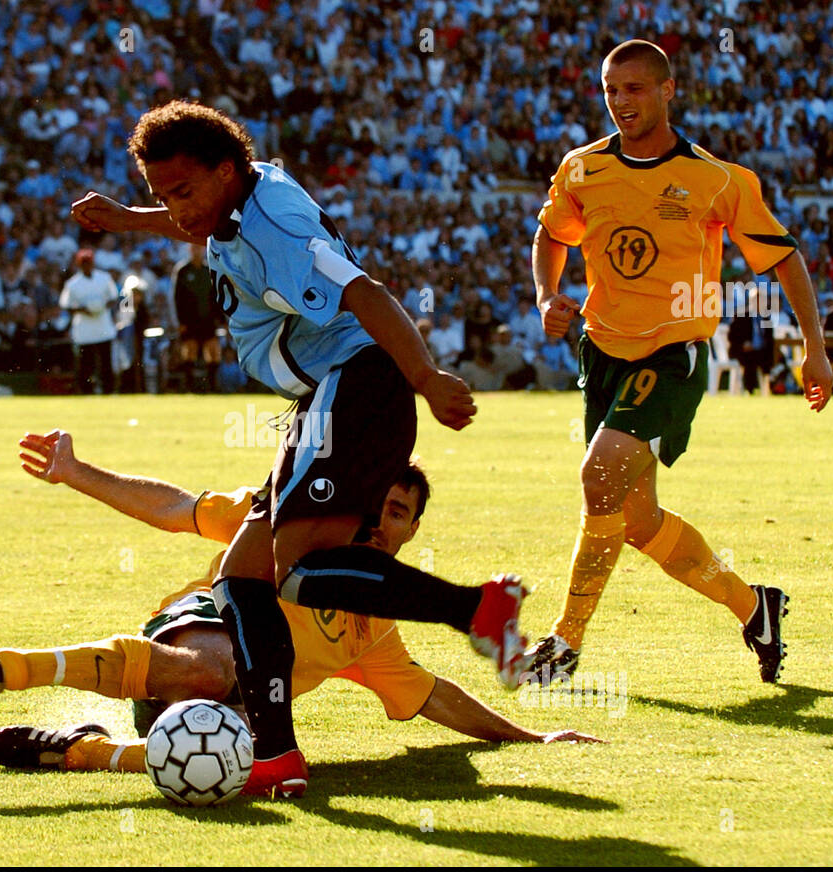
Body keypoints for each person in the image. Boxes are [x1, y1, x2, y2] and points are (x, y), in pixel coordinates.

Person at [71, 101, 524, 797]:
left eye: (182, 192)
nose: (176, 210)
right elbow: (193, 217)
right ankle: (276, 755)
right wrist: (131, 218)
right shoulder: (235, 197)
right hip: (326, 398)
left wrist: (425, 376)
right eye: (163, 194)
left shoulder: (274, 229)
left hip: (359, 386)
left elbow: (364, 291)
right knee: (241, 576)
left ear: (226, 171)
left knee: (299, 575)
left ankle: (478, 611)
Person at [0, 428, 601, 773]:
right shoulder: (288, 520)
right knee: (219, 670)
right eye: (376, 503)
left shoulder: (374, 625)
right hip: (193, 634)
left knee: (230, 760)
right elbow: (178, 507)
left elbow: (432, 696)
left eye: (397, 513)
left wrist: (531, 738)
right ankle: (2, 667)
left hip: (218, 703)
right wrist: (74, 471)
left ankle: (83, 754)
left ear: (413, 529)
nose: (380, 520)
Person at [528, 40, 833, 687]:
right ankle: (757, 608)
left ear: (669, 92)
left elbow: (785, 258)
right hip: (602, 349)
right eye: (611, 89)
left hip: (674, 354)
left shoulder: (716, 179)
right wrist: (546, 296)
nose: (621, 102)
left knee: (600, 474)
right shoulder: (583, 169)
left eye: (635, 89)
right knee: (637, 523)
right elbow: (552, 235)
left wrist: (815, 348)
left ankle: (565, 641)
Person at [59, 248, 118, 394]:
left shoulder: (104, 278)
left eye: (89, 263)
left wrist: (102, 307)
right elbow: (65, 305)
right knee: (86, 365)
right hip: (84, 330)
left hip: (103, 326)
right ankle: (86, 392)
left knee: (106, 363)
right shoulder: (72, 284)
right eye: (84, 263)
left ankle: (108, 391)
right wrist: (83, 310)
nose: (87, 266)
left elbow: (114, 297)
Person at [170, 242, 225, 390]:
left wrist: (221, 319)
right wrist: (180, 321)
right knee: (189, 352)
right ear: (189, 249)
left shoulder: (208, 269)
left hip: (208, 319)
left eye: (199, 248)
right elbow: (177, 298)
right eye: (194, 248)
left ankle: (212, 386)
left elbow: (216, 296)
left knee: (212, 352)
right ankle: (189, 386)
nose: (197, 251)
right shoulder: (182, 270)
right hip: (189, 320)